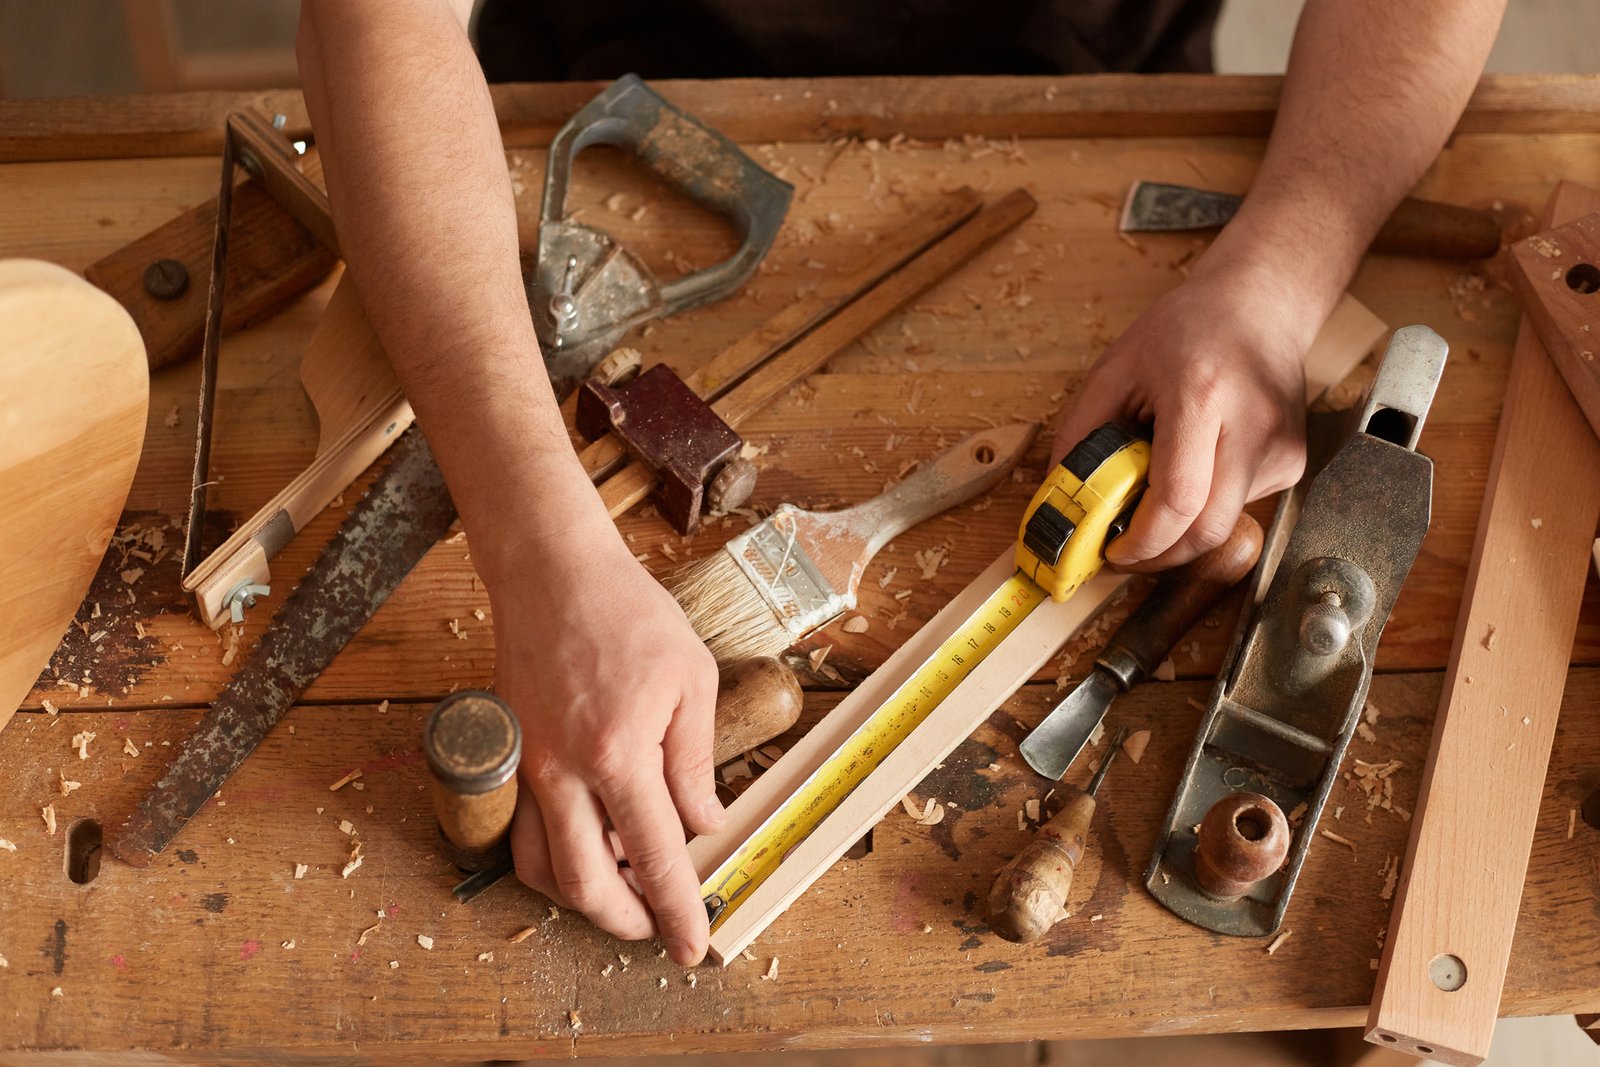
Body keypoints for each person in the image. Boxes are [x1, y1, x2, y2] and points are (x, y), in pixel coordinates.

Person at [295, 0, 1506, 965]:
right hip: (594, 72)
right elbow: (371, 24)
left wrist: (1280, 275)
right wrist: (537, 538)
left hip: (1092, 84)